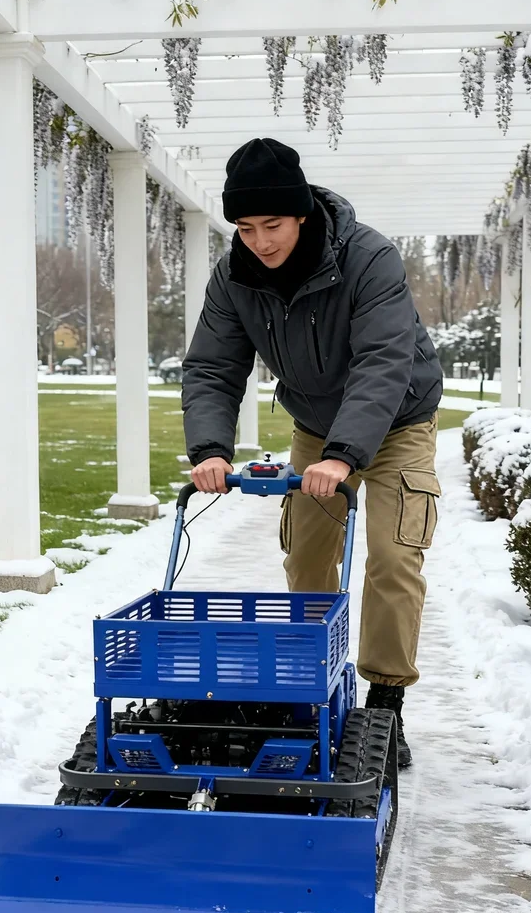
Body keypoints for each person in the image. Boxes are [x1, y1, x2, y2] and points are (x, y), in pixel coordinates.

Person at [182, 138, 442, 768]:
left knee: (391, 556)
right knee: (307, 557)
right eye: (245, 227)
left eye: (273, 224)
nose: (261, 241)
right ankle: (310, 686)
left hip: (398, 419)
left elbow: (384, 360)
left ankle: (384, 702)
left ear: (302, 214)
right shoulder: (234, 276)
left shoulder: (369, 258)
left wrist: (345, 455)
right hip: (316, 426)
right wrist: (211, 449)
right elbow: (214, 368)